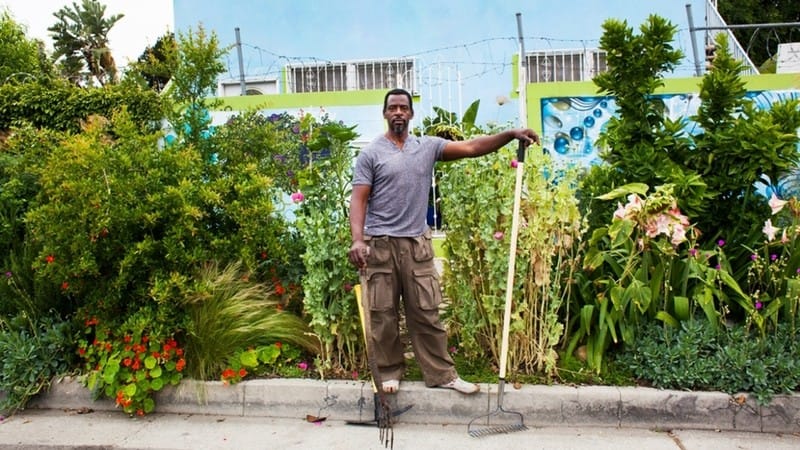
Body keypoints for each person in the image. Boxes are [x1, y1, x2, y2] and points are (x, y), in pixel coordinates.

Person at [348, 88, 539, 395]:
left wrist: (509, 134)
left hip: (416, 245)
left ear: (411, 114)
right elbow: (358, 200)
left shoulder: (428, 147)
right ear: (385, 114)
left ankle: (442, 374)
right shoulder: (371, 153)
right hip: (380, 245)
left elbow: (472, 147)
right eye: (392, 108)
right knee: (382, 314)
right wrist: (358, 240)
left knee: (427, 312)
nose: (398, 112)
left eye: (403, 108)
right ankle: (388, 372)